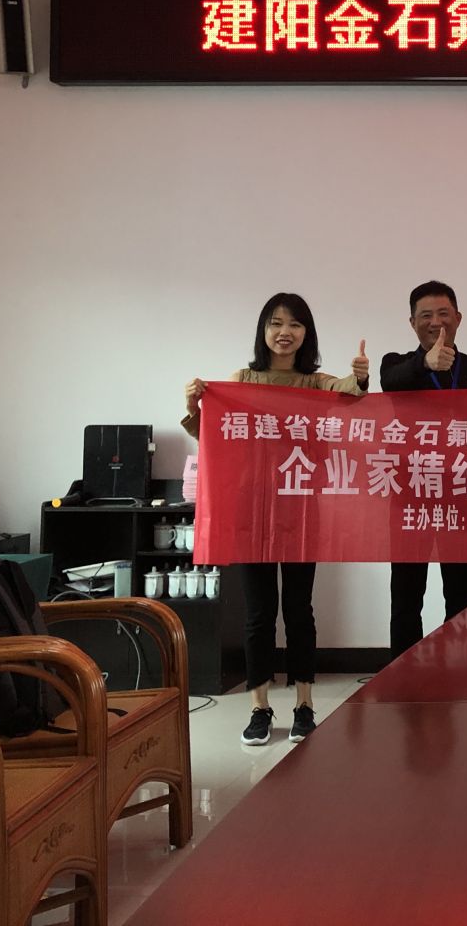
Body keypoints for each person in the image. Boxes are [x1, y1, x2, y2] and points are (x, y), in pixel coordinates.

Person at [182, 292, 368, 746]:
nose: (285, 332)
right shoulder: (241, 380)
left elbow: (350, 395)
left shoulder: (316, 382)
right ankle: (259, 707)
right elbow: (216, 438)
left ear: (307, 333)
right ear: (263, 330)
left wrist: (361, 378)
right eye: (276, 323)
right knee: (259, 613)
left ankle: (304, 704)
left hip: (301, 510)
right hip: (252, 511)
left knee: (299, 610)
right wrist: (194, 410)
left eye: (295, 324)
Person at [379, 280, 467, 660]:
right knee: (406, 595)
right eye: (426, 315)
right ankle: (402, 675)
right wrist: (425, 363)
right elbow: (390, 382)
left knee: (461, 595)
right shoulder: (395, 364)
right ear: (412, 322)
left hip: (463, 496)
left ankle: (456, 671)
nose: (435, 322)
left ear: (458, 318)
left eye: (443, 313)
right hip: (410, 497)